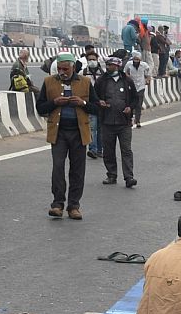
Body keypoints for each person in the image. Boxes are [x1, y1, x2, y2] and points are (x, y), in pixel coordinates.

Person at [35, 53, 99, 220]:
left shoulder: (85, 82)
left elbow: (96, 107)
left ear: (73, 68)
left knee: (77, 170)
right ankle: (57, 204)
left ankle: (74, 206)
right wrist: (55, 102)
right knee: (58, 167)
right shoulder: (49, 82)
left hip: (79, 132)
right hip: (59, 132)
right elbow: (40, 107)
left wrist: (83, 103)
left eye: (66, 69)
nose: (63, 72)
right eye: (60, 69)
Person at [94, 55, 138, 188]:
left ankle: (129, 177)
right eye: (107, 65)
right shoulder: (101, 81)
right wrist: (99, 102)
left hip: (124, 123)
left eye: (111, 65)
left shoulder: (127, 81)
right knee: (108, 150)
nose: (108, 67)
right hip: (107, 122)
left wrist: (130, 108)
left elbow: (135, 98)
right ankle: (111, 175)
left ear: (118, 66)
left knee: (126, 150)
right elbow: (94, 96)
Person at [122, 53, 151, 128]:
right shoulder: (129, 64)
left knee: (139, 104)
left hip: (140, 86)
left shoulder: (144, 65)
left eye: (137, 59)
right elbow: (125, 72)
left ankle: (137, 120)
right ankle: (130, 119)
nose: (136, 61)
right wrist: (128, 78)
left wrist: (147, 80)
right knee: (130, 104)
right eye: (135, 59)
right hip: (131, 86)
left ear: (140, 60)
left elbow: (148, 74)